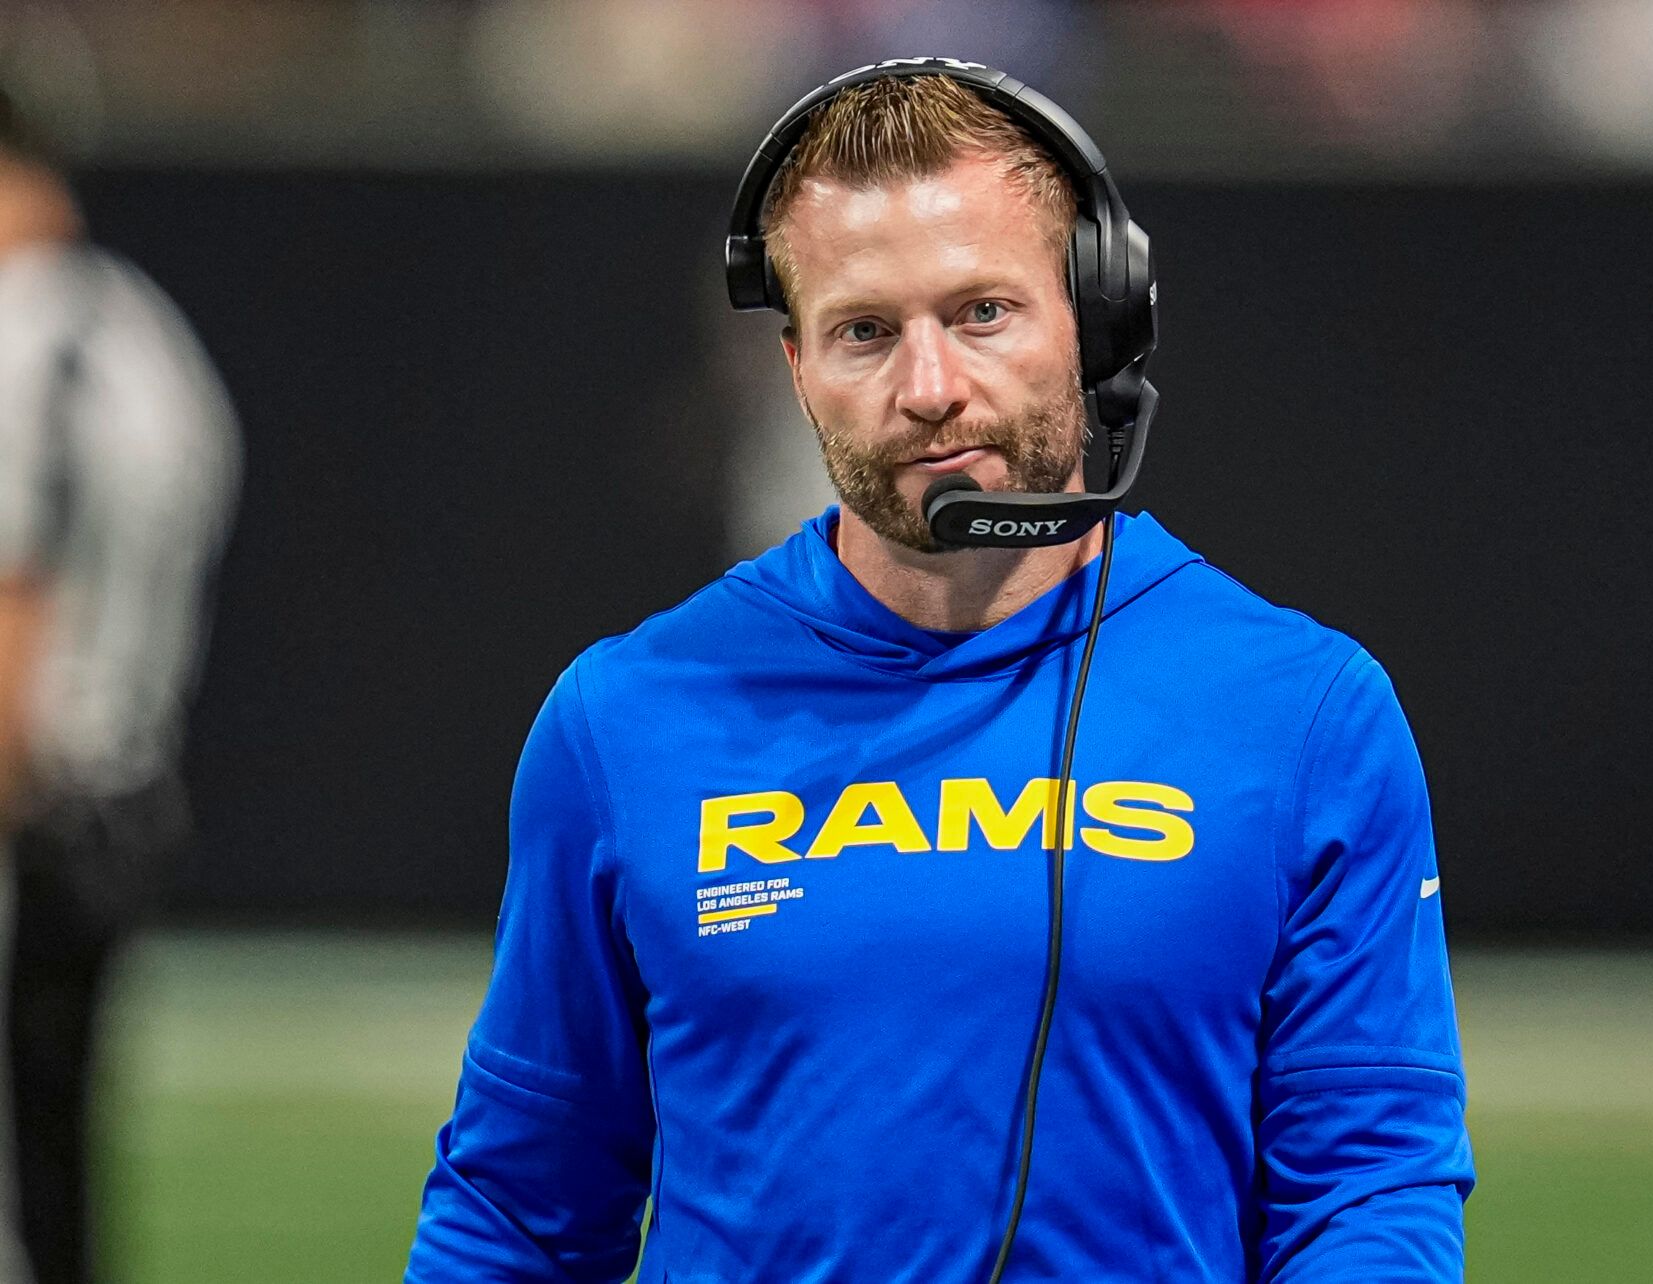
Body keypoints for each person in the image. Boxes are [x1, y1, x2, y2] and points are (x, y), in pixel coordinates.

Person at [409, 63, 1472, 1282]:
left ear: (1097, 318)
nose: (930, 389)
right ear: (796, 366)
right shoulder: (621, 720)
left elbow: (1371, 1189)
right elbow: (518, 1211)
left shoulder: (1307, 717)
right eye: (866, 331)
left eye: (982, 312)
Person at [0, 88, 241, 1284]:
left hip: (37, 797)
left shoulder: (29, 332)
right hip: (126, 781)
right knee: (51, 1153)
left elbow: (14, 593)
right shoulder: (140, 324)